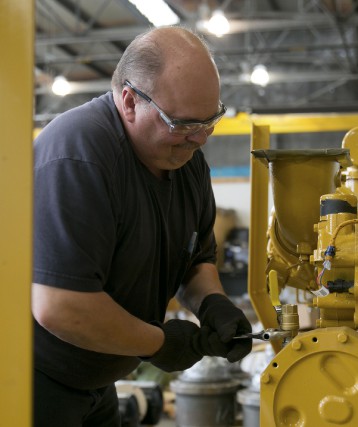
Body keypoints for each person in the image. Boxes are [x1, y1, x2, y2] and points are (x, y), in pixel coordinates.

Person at [31, 26, 252, 426]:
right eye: (183, 123)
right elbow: (61, 307)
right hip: (31, 379)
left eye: (211, 120)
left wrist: (212, 303)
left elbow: (195, 257)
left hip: (98, 381)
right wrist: (161, 342)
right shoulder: (79, 156)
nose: (201, 138)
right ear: (130, 101)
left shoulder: (185, 162)